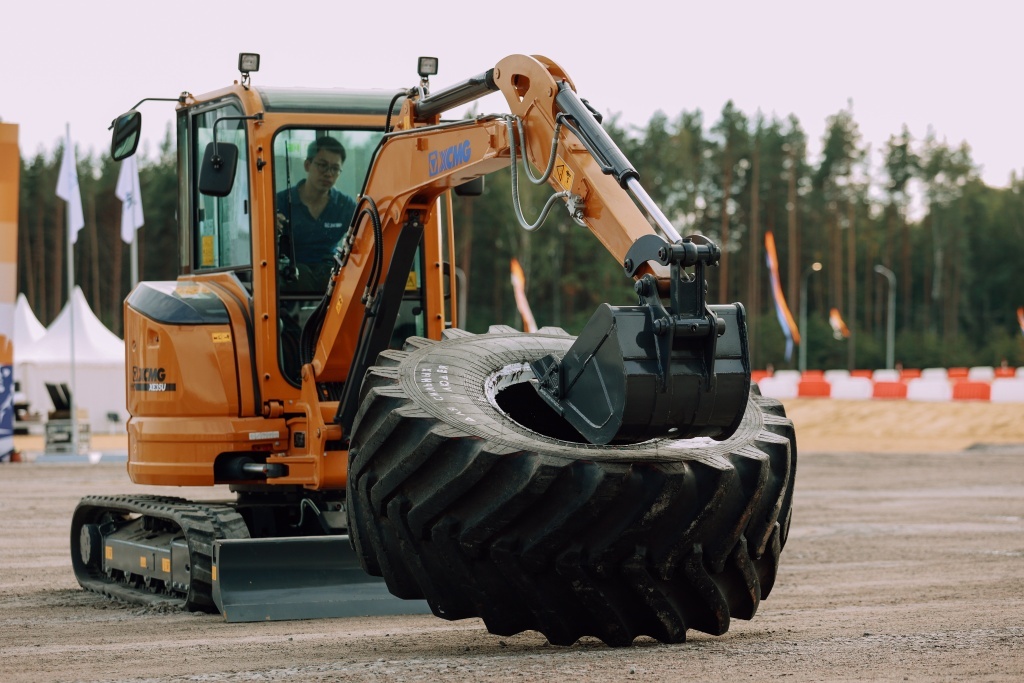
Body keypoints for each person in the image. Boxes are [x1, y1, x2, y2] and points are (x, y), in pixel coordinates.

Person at [275, 137, 358, 291]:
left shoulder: (345, 206)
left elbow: (363, 240)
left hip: (329, 278)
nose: (328, 174)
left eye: (335, 168)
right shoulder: (279, 202)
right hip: (290, 280)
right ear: (307, 165)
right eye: (322, 166)